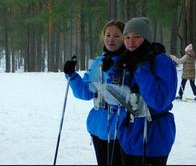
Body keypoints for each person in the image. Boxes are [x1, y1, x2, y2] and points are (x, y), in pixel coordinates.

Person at [107, 17, 177, 165]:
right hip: (128, 134)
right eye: (127, 37)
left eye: (136, 37)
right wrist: (115, 71)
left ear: (146, 38)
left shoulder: (162, 62)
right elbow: (113, 97)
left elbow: (159, 101)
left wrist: (141, 69)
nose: (130, 42)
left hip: (153, 136)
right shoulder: (126, 60)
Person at [63, 19, 125, 165]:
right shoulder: (99, 61)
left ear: (124, 38)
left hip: (120, 129)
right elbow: (85, 92)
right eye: (108, 35)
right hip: (98, 127)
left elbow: (122, 94)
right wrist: (72, 75)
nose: (111, 39)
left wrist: (111, 70)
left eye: (116, 36)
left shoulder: (128, 61)